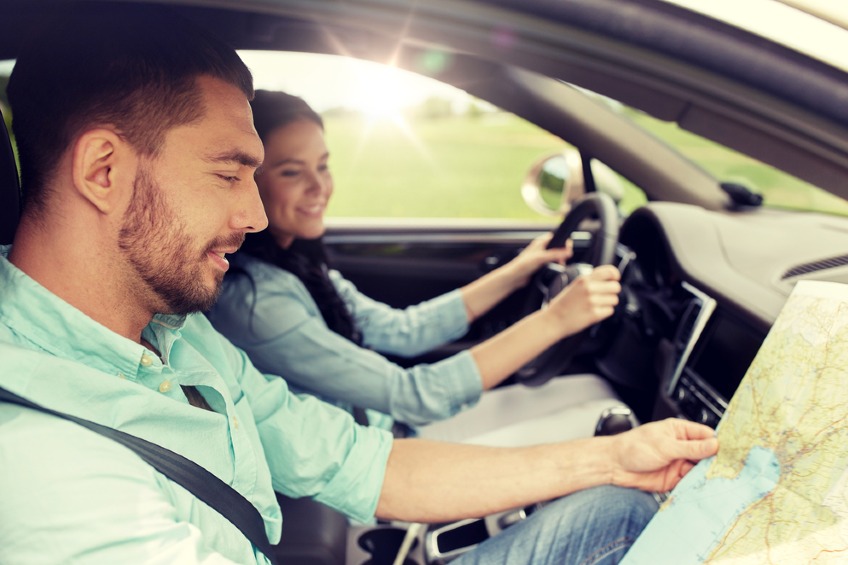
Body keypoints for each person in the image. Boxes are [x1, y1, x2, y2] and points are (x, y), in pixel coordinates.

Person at [0, 4, 718, 564]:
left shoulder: (176, 337)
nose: (252, 215)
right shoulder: (40, 466)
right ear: (102, 171)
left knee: (620, 507)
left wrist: (613, 458)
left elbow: (359, 462)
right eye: (228, 173)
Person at [208, 89, 621, 435]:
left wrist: (516, 273)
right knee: (604, 415)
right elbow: (414, 396)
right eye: (292, 173)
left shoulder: (294, 261)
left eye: (323, 166)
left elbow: (403, 330)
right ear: (248, 181)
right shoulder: (257, 302)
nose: (320, 186)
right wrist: (556, 321)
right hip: (376, 454)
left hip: (382, 429)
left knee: (594, 393)